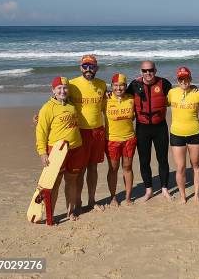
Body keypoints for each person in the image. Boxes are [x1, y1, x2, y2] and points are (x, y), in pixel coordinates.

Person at [35, 77, 83, 221]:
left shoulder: (72, 105)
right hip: (56, 151)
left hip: (75, 148)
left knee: (71, 181)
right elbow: (41, 131)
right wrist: (42, 152)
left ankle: (70, 211)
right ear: (53, 90)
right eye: (59, 88)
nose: (62, 91)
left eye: (65, 88)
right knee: (54, 184)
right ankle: (51, 216)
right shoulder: (47, 108)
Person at [126, 61, 173, 202]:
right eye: (145, 70)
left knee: (162, 159)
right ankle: (149, 190)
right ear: (141, 71)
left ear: (155, 70)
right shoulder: (134, 85)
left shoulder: (164, 84)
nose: (148, 73)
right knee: (144, 160)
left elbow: (177, 95)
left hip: (160, 127)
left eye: (150, 70)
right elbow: (121, 96)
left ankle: (164, 188)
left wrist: (193, 88)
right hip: (142, 128)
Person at [68, 54, 107, 213]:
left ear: (96, 68)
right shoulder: (72, 85)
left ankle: (91, 200)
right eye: (85, 66)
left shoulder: (102, 85)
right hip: (79, 132)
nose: (88, 69)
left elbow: (106, 108)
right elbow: (57, 102)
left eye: (92, 66)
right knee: (80, 170)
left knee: (93, 168)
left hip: (97, 131)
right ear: (80, 67)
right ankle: (78, 203)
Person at [167, 67, 199, 204]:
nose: (184, 81)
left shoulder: (198, 94)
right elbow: (158, 103)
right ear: (177, 80)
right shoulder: (172, 93)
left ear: (190, 79)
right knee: (180, 167)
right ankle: (183, 196)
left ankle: (196, 193)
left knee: (195, 165)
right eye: (181, 79)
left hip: (195, 134)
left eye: (186, 78)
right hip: (176, 134)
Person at [104, 73, 136, 207]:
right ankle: (113, 197)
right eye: (116, 85)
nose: (119, 88)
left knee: (127, 167)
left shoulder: (131, 99)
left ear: (126, 86)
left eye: (122, 85)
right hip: (111, 139)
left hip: (129, 138)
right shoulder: (105, 100)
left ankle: (128, 196)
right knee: (113, 168)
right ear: (111, 86)